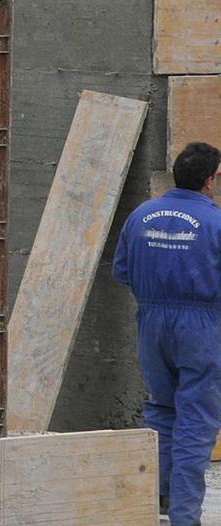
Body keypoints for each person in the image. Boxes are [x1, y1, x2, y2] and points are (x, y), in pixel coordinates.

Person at [114, 141, 221, 526]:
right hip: (201, 328)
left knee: (161, 410)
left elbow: (122, 271)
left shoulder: (141, 215)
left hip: (151, 325)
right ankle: (184, 516)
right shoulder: (215, 223)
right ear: (210, 180)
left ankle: (154, 502)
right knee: (197, 418)